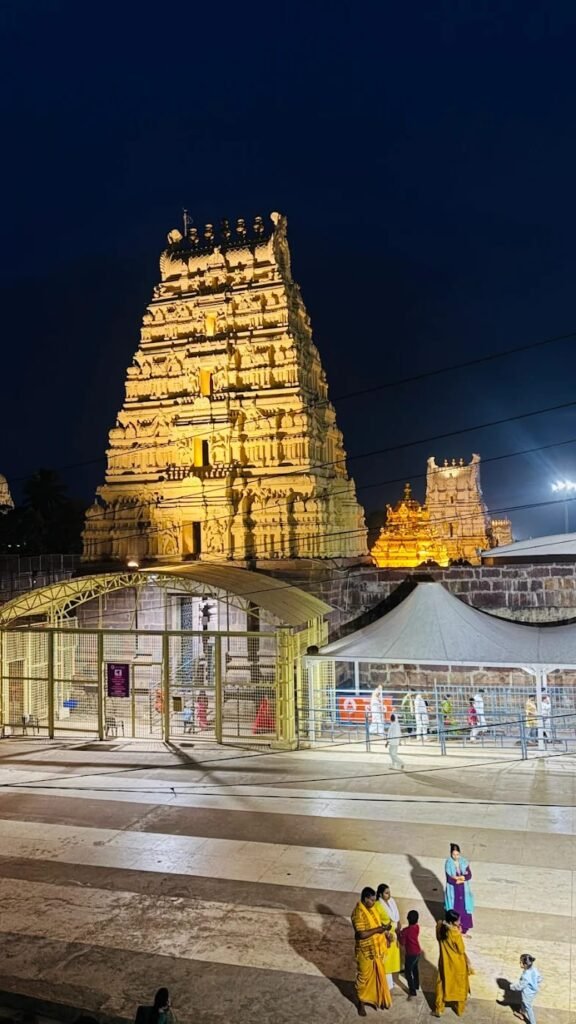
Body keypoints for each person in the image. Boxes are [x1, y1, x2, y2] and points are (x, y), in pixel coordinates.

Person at [351, 886, 392, 1015]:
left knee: (377, 975)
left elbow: (377, 923)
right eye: (372, 900)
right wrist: (378, 930)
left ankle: (377, 998)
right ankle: (361, 1002)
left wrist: (385, 930)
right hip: (365, 952)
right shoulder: (358, 913)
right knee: (363, 978)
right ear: (365, 899)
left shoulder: (372, 908)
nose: (374, 903)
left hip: (376, 950)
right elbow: (361, 934)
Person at [433, 910, 473, 1017]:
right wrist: (459, 933)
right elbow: (461, 949)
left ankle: (439, 1008)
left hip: (444, 962)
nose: (460, 922)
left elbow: (439, 937)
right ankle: (459, 1009)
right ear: (452, 921)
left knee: (441, 983)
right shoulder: (455, 933)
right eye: (458, 920)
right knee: (460, 984)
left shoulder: (440, 927)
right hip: (457, 963)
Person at [374, 883, 401, 990]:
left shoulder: (392, 901)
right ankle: (387, 984)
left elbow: (397, 916)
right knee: (387, 959)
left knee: (393, 957)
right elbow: (377, 923)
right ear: (380, 894)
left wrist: (399, 926)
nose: (389, 895)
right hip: (386, 935)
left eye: (389, 892)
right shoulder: (377, 905)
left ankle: (389, 982)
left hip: (395, 934)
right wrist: (386, 933)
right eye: (386, 893)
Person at [444, 842, 474, 933]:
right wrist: (459, 880)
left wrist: (461, 878)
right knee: (455, 908)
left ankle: (464, 928)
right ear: (451, 854)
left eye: (457, 854)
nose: (455, 856)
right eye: (453, 854)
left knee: (464, 908)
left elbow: (469, 875)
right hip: (454, 890)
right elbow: (449, 879)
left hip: (463, 890)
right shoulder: (448, 863)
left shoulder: (464, 862)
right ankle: (455, 927)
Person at [509, 953, 542, 1024]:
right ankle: (521, 1013)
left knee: (528, 1008)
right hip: (533, 991)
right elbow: (540, 978)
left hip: (527, 994)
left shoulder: (525, 977)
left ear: (525, 965)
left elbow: (520, 986)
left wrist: (511, 987)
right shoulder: (534, 970)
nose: (519, 963)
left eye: (520, 962)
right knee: (524, 1003)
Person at [399, 909, 421, 999]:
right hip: (418, 952)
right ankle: (416, 985)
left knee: (408, 972)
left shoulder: (405, 931)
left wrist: (398, 934)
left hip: (410, 953)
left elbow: (402, 942)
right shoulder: (417, 927)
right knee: (415, 969)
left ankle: (412, 990)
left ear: (407, 918)